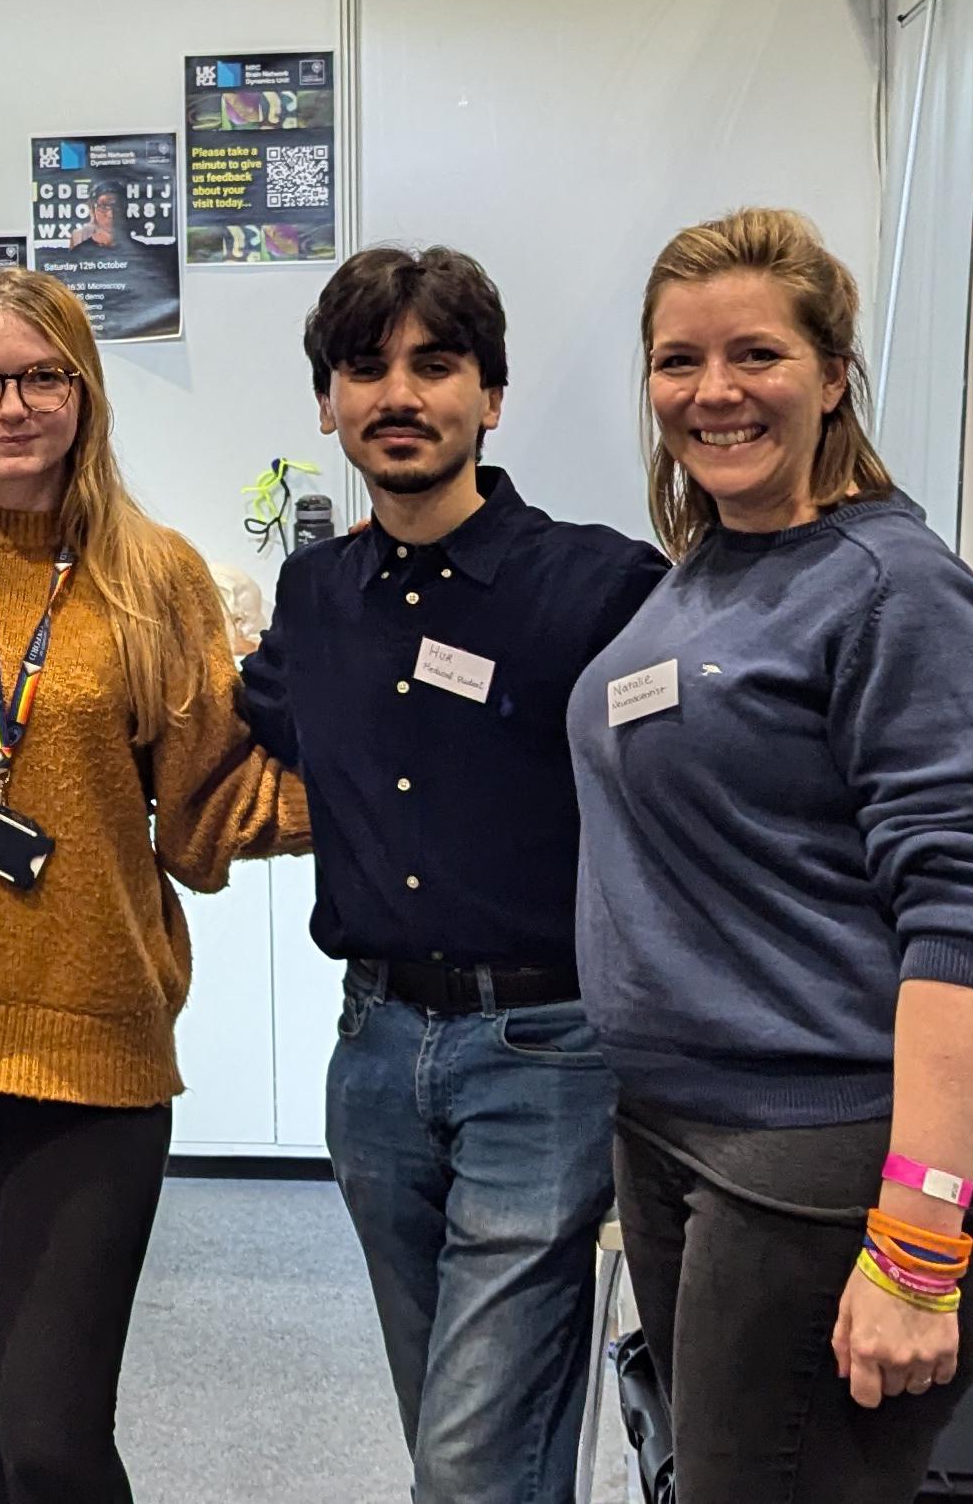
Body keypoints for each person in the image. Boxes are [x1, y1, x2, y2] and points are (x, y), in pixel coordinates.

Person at [0, 264, 306, 1504]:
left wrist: (401, 799)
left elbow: (208, 810)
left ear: (86, 393)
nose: (13, 405)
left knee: (50, 1432)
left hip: (87, 1044)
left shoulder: (158, 575)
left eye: (43, 376)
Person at [236, 245, 667, 1504]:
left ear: (492, 393)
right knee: (464, 1430)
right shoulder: (316, 591)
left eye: (436, 365)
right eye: (364, 370)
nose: (398, 396)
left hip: (545, 1053)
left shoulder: (600, 586)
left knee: (472, 1459)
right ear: (327, 403)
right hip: (371, 1053)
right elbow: (264, 713)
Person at [570, 207, 973, 1503]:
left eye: (757, 353)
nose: (714, 392)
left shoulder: (889, 585)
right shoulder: (716, 565)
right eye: (678, 361)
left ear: (834, 374)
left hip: (814, 1144)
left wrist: (919, 1243)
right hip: (680, 1127)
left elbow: (960, 919)